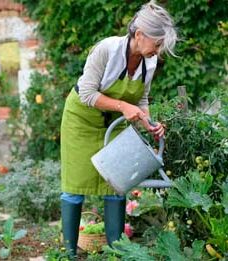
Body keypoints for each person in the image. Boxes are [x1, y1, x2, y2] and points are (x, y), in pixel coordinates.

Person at [60, 0, 177, 257]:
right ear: (139, 35)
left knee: (117, 182)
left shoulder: (149, 63)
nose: (158, 51)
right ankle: (68, 253)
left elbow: (142, 99)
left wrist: (149, 123)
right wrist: (124, 106)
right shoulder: (106, 50)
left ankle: (117, 251)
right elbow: (87, 93)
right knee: (74, 185)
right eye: (156, 44)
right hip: (81, 120)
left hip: (112, 124)